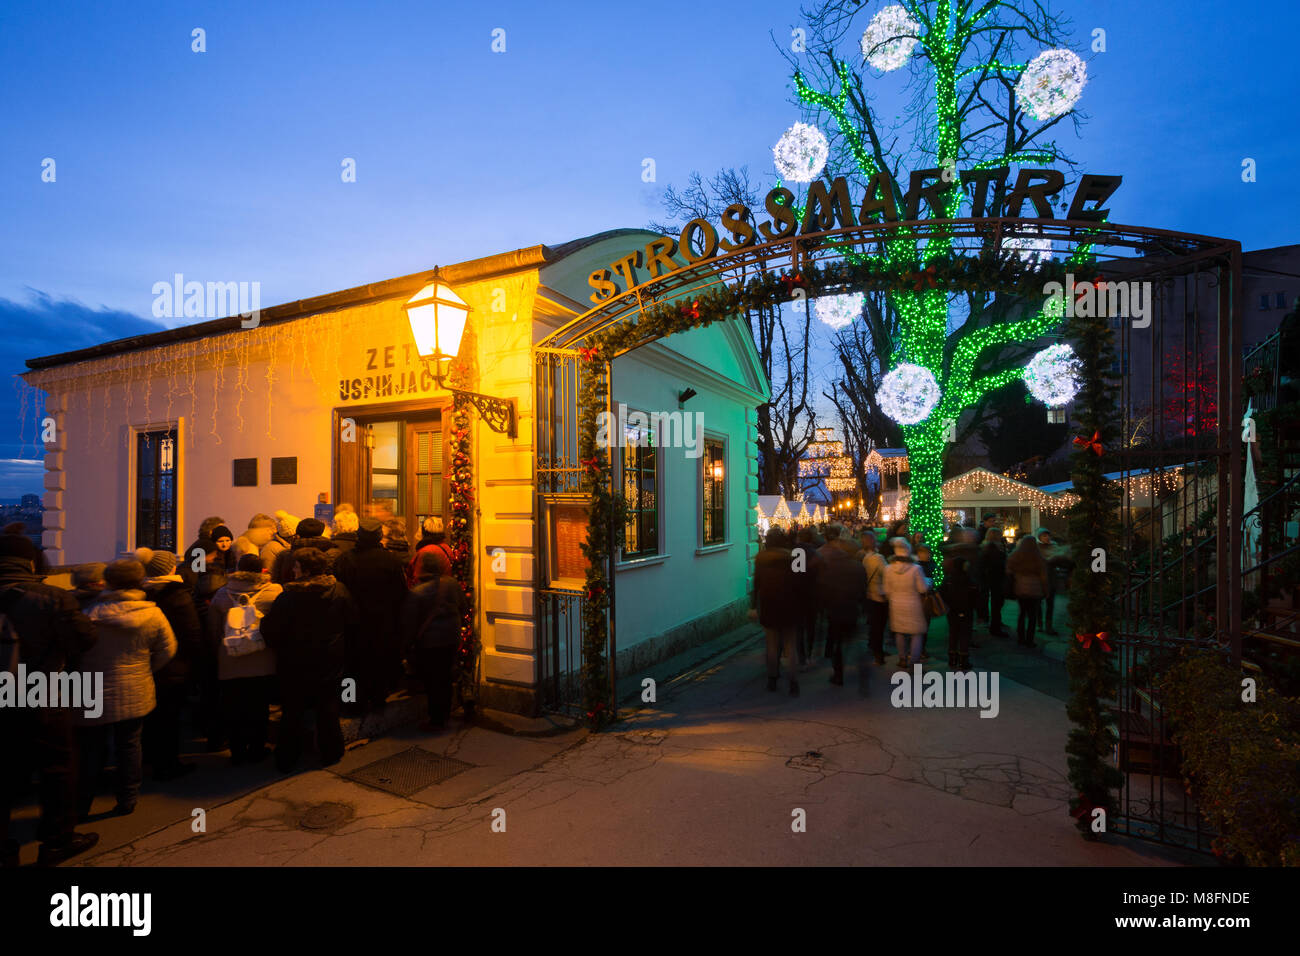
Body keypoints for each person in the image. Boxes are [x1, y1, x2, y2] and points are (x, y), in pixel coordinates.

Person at [0, 537, 98, 867]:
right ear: (32, 563)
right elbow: (82, 640)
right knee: (57, 768)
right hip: (39, 692)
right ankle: (57, 840)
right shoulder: (51, 598)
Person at [76, 560, 177, 820]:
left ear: (108, 581)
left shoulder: (88, 611)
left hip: (92, 689)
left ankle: (81, 803)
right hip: (135, 685)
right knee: (130, 745)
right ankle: (128, 798)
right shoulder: (152, 613)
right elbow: (168, 649)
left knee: (91, 749)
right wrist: (144, 668)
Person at [260, 548, 356, 773]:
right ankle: (331, 751)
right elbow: (352, 621)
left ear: (304, 569)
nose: (293, 570)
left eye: (296, 566)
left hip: (295, 662)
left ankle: (287, 757)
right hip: (328, 660)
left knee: (292, 711)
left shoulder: (288, 596)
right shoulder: (339, 591)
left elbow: (273, 629)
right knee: (328, 706)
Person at [207, 553, 281, 765]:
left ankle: (237, 751)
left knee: (234, 708)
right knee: (259, 708)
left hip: (231, 660)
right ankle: (257, 749)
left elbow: (213, 630)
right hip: (262, 659)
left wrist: (216, 653)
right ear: (261, 571)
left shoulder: (222, 594)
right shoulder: (273, 592)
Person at [135, 548, 201, 781]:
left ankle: (149, 758)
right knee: (170, 718)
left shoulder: (142, 592)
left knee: (152, 716)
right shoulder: (177, 594)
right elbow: (191, 632)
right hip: (174, 664)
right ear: (170, 568)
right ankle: (168, 764)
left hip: (147, 663)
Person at [334, 517, 409, 713]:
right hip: (381, 623)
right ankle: (377, 698)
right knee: (378, 662)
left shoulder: (345, 559)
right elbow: (401, 593)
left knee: (351, 666)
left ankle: (349, 702)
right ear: (378, 536)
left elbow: (338, 590)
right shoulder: (390, 560)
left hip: (352, 623)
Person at [401, 550, 469, 730]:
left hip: (430, 642)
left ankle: (436, 719)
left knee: (433, 681)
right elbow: (464, 606)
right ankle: (444, 713)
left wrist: (406, 645)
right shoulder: (452, 584)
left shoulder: (417, 593)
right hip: (451, 638)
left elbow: (410, 623)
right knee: (444, 677)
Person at [751, 527, 800, 696]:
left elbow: (756, 584)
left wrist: (753, 606)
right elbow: (799, 582)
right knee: (790, 645)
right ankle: (793, 682)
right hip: (790, 604)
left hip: (769, 604)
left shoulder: (760, 557)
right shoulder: (793, 556)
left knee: (771, 644)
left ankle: (772, 679)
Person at [817, 530, 867, 686]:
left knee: (837, 643)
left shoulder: (829, 567)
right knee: (856, 643)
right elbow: (863, 589)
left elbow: (823, 588)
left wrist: (824, 606)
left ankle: (838, 674)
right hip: (852, 608)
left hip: (835, 610)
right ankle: (863, 672)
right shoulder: (858, 566)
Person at [883, 537, 929, 669]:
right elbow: (922, 588)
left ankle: (902, 659)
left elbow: (886, 590)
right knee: (916, 633)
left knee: (899, 632)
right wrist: (928, 582)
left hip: (896, 604)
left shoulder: (888, 569)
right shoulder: (916, 569)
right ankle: (914, 662)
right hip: (913, 604)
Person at [940, 528, 979, 671]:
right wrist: (973, 605)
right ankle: (963, 658)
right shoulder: (969, 580)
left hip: (953, 609)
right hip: (966, 609)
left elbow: (942, 592)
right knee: (964, 634)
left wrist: (948, 604)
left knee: (953, 633)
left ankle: (952, 657)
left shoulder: (949, 579)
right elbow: (975, 594)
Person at [1007, 535, 1050, 648]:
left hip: (1020, 587)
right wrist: (1046, 591)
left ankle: (1021, 638)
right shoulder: (1038, 557)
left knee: (1022, 613)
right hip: (1035, 590)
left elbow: (1008, 569)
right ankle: (1029, 640)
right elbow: (1044, 577)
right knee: (1032, 616)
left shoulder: (1016, 555)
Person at [270, 517, 338, 584]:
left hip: (291, 593)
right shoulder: (332, 553)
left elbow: (277, 580)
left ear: (297, 534)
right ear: (321, 532)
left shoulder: (285, 555)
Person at [793, 527, 823, 666]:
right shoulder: (815, 553)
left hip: (797, 593)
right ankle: (809, 653)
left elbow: (793, 573)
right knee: (810, 626)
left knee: (799, 627)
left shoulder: (795, 551)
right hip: (812, 593)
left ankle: (801, 657)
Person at [861, 532, 889, 665]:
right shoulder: (879, 558)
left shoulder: (865, 557)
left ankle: (873, 647)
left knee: (873, 625)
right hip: (879, 596)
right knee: (879, 627)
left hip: (869, 595)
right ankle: (879, 654)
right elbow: (887, 574)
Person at [978, 528, 1009, 637]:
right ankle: (995, 627)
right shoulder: (993, 548)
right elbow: (996, 564)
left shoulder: (986, 547)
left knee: (996, 603)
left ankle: (996, 624)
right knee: (997, 603)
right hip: (995, 579)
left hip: (991, 578)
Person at [409, 516, 454, 587]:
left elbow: (417, 576)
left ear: (424, 532)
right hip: (444, 590)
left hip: (428, 592)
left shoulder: (425, 551)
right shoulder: (446, 548)